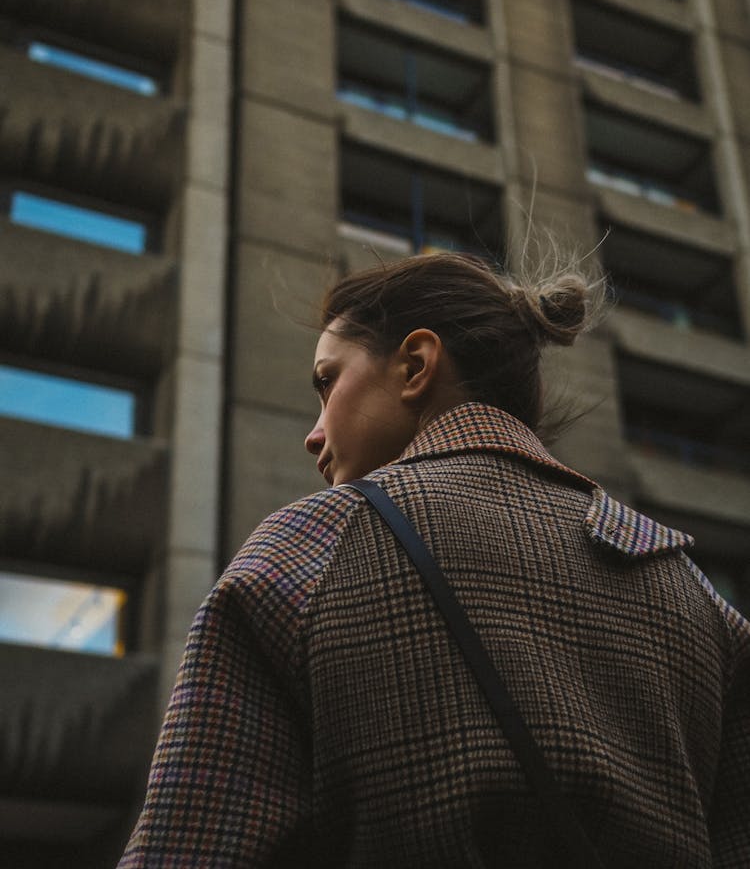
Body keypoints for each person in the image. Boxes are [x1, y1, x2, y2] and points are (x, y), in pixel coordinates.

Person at [119, 252, 750, 868]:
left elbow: (191, 843)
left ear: (415, 366)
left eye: (326, 381)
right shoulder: (696, 595)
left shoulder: (311, 545)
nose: (313, 432)